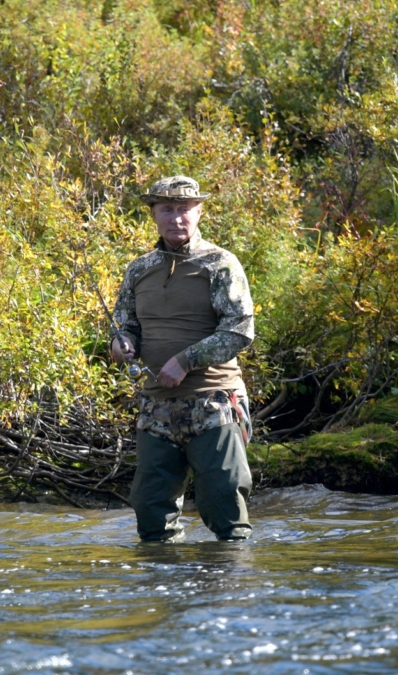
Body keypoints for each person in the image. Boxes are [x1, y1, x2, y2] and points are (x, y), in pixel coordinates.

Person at [110, 175, 255, 542]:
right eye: (167, 209)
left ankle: (228, 591)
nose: (176, 218)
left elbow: (238, 331)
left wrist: (185, 360)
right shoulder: (139, 269)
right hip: (156, 408)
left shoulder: (220, 264)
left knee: (226, 507)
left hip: (215, 403)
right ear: (154, 215)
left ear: (199, 212)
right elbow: (125, 327)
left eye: (184, 210)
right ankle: (167, 591)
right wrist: (121, 344)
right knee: (151, 513)